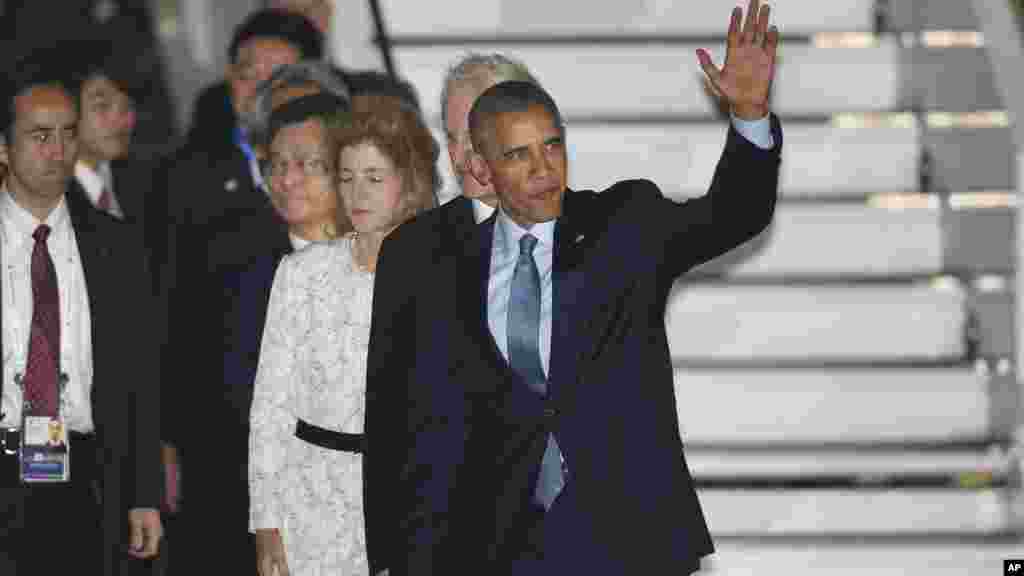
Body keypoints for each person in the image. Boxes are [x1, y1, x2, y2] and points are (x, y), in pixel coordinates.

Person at [367, 1, 781, 573]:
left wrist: (750, 118)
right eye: (516, 153)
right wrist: (399, 557)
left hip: (625, 536)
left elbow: (732, 214)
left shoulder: (624, 224)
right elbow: (398, 420)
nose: (543, 169)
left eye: (552, 145)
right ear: (478, 166)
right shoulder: (428, 258)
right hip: (491, 545)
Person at [360, 51, 538, 572]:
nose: (461, 155)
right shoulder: (412, 251)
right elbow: (387, 410)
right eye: (453, 137)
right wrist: (388, 554)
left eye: (475, 133)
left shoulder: (590, 230)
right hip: (449, 540)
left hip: (568, 533)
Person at [250, 93, 437, 576]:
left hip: (410, 500)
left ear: (408, 184)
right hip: (311, 497)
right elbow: (271, 407)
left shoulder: (441, 277)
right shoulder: (301, 273)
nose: (359, 194)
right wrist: (268, 525)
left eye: (375, 178)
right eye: (347, 178)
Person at [0, 48, 161, 574]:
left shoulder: (117, 245)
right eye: (39, 135)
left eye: (68, 133)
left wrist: (144, 492)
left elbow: (139, 374)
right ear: (4, 147)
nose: (58, 149)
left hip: (90, 470)